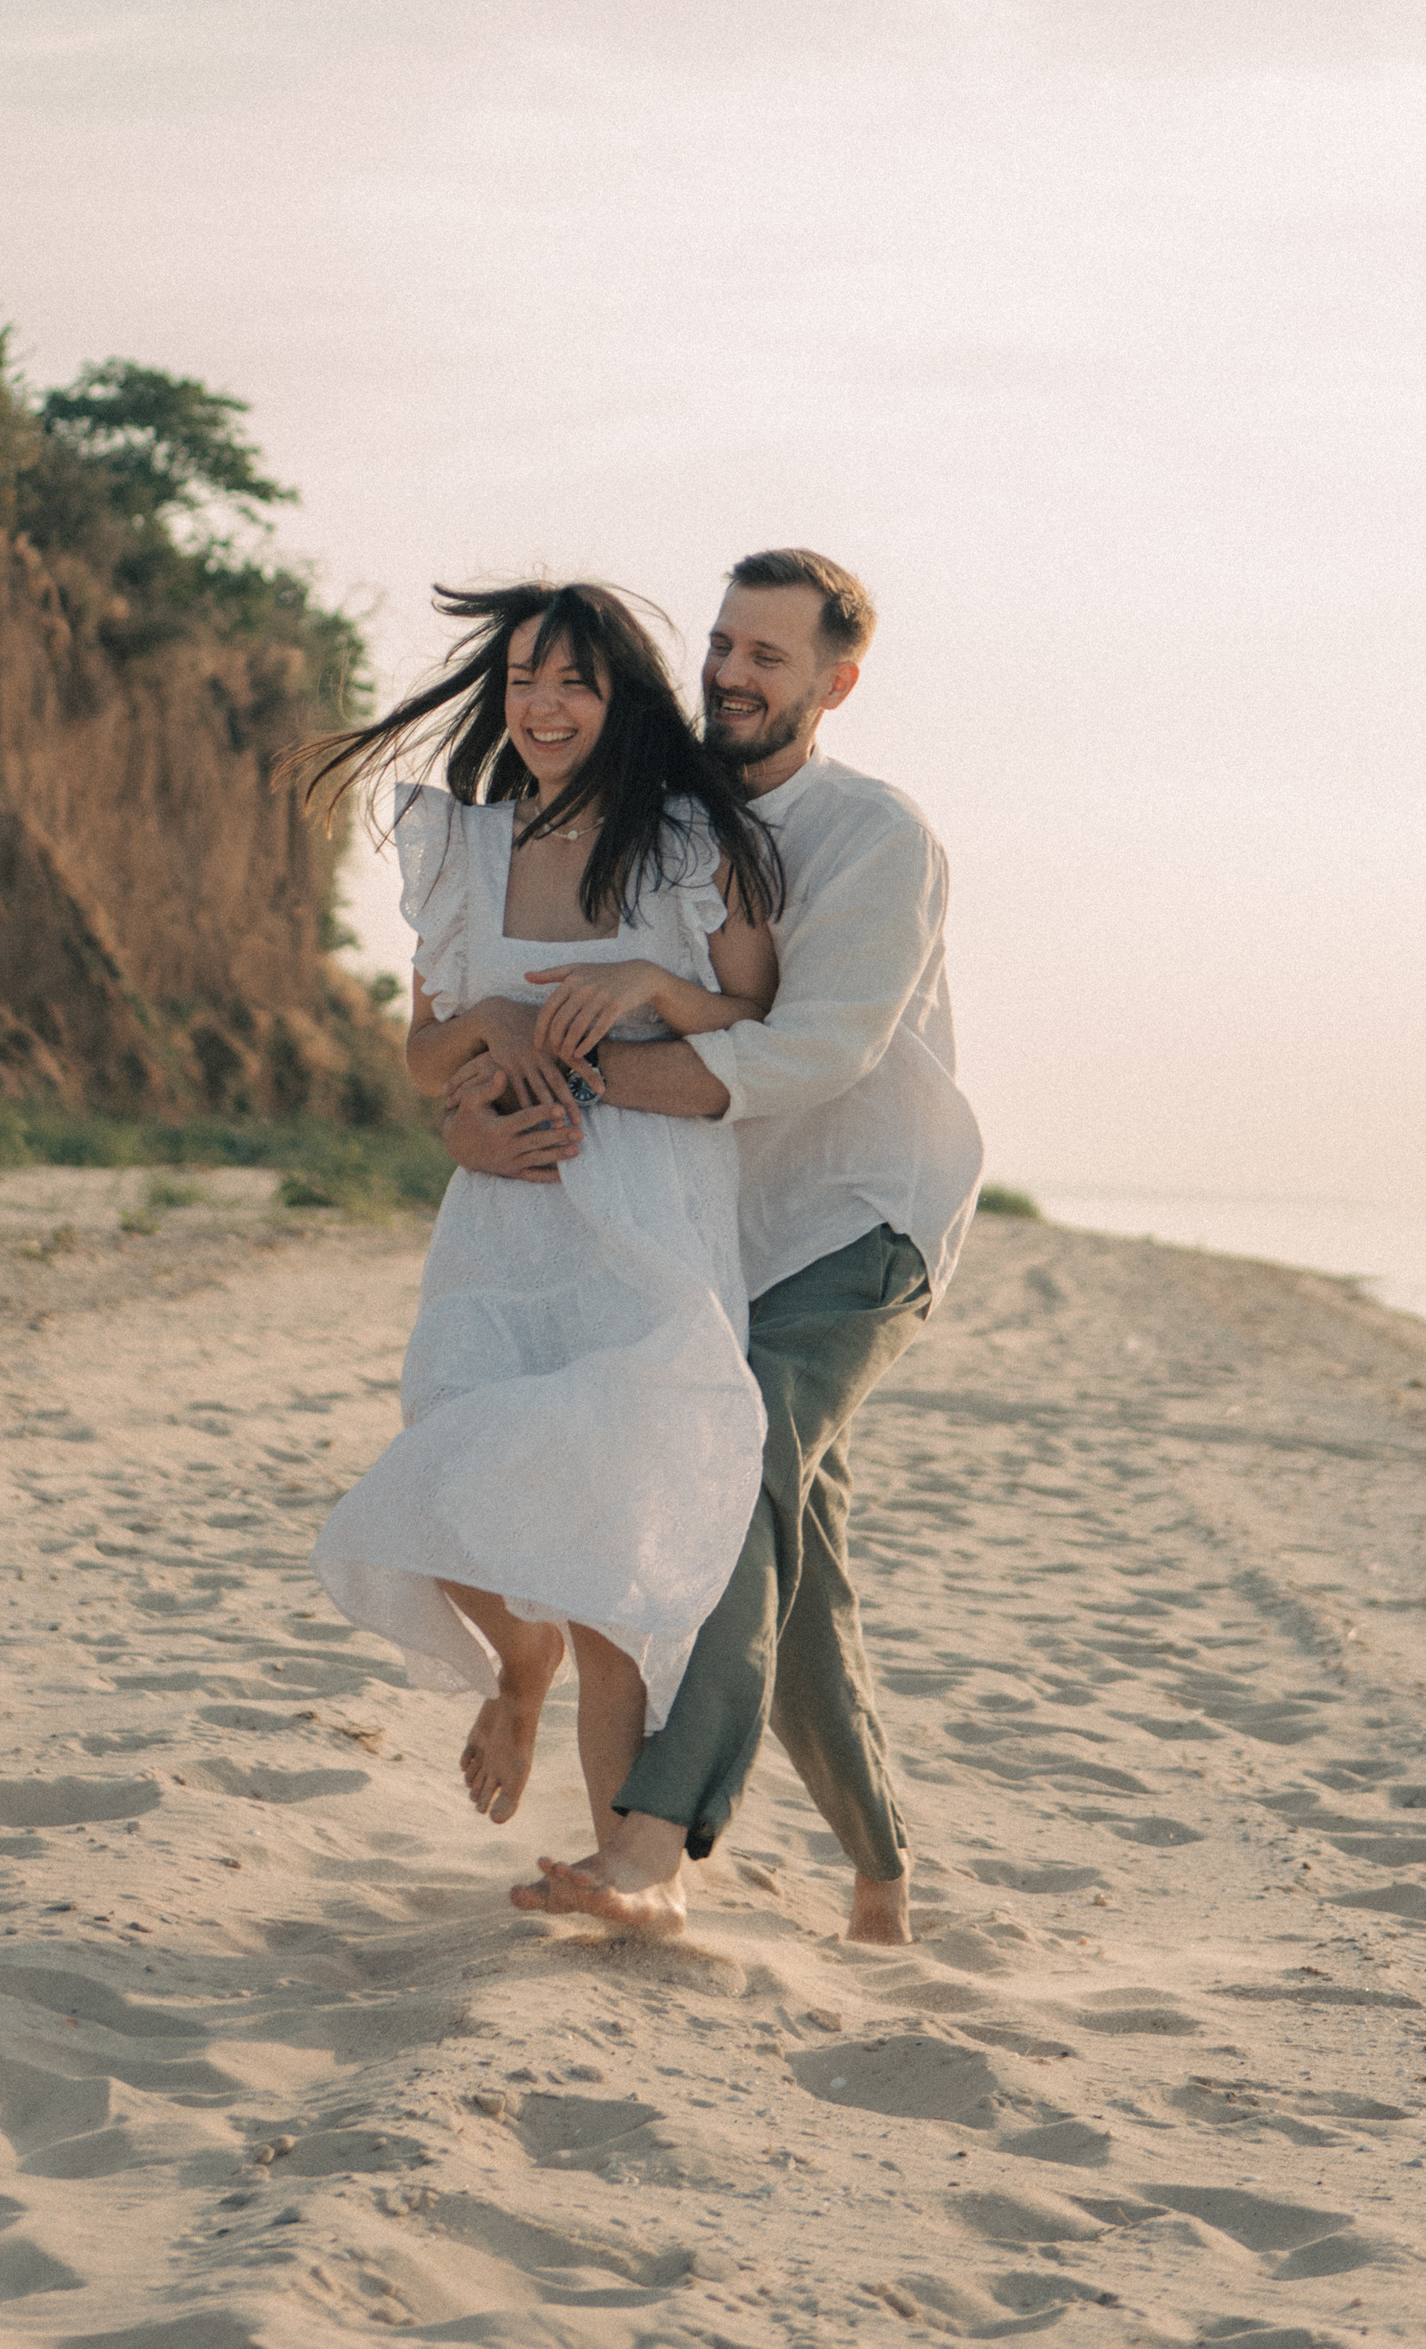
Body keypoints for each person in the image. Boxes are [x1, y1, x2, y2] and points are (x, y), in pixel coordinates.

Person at [445, 546, 981, 1945]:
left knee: (734, 1483)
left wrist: (596, 1059)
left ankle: (650, 1845)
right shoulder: (666, 812)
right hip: (722, 1233)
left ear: (835, 685)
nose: (732, 676)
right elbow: (482, 996)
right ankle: (882, 1877)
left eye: (768, 657)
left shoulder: (876, 836)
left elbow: (813, 1049)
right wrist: (481, 1110)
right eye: (723, 647)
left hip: (863, 1223)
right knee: (796, 1565)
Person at [283, 583, 788, 1859]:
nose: (541, 706)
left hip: (649, 1223)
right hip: (502, 1218)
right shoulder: (460, 848)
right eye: (521, 680)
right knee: (444, 1465)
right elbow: (421, 1056)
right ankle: (520, 1662)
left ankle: (622, 1866)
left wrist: (649, 981)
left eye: (572, 682)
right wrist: (489, 1032)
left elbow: (756, 1015)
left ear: (624, 700)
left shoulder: (692, 847)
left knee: (618, 1550)